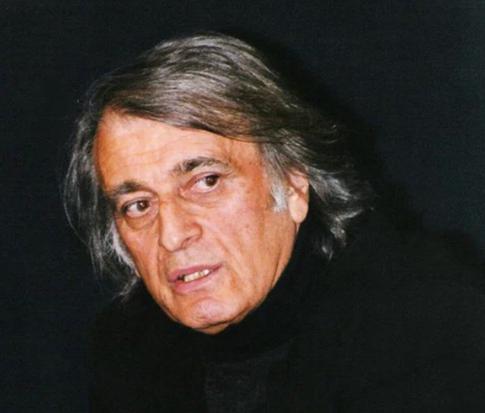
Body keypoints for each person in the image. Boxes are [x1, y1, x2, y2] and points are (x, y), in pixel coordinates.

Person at [64, 32, 485, 412]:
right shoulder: (128, 350)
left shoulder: (423, 320)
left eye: (206, 182)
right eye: (139, 205)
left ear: (294, 185)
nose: (172, 235)